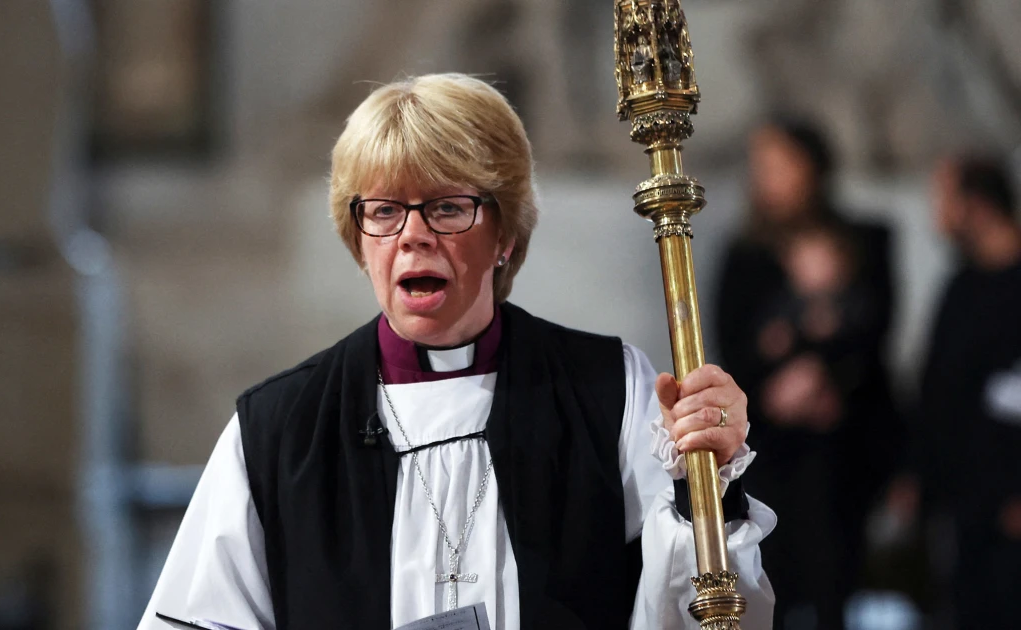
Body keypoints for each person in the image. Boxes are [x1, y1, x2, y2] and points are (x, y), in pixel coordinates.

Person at [137, 73, 775, 630]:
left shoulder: (608, 390)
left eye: (446, 207)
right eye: (384, 211)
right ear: (359, 241)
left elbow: (701, 611)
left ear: (504, 231)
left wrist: (708, 482)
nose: (413, 236)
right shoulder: (279, 431)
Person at [716, 119, 898, 628]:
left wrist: (820, 375)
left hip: (843, 439)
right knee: (772, 575)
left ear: (812, 167)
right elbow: (734, 345)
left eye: (779, 164)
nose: (766, 177)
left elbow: (876, 326)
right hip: (771, 446)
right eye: (760, 167)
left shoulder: (863, 240)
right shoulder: (745, 255)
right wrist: (781, 383)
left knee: (836, 578)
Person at [908, 154, 1021, 627]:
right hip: (965, 505)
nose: (937, 215)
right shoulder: (960, 287)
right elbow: (938, 391)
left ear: (976, 205)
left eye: (945, 200)